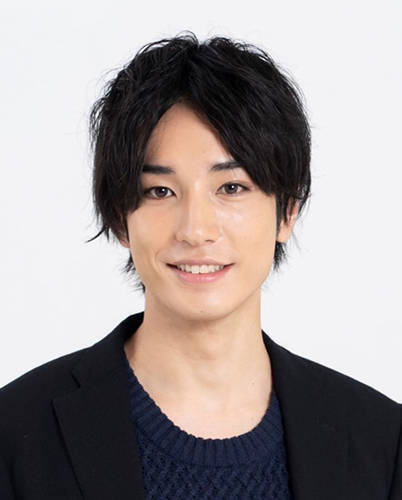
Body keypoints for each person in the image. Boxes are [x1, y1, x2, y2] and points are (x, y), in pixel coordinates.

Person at [0, 31, 400, 500]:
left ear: (287, 211)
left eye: (231, 188)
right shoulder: (16, 436)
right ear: (120, 218)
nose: (195, 230)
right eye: (160, 191)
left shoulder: (380, 442)